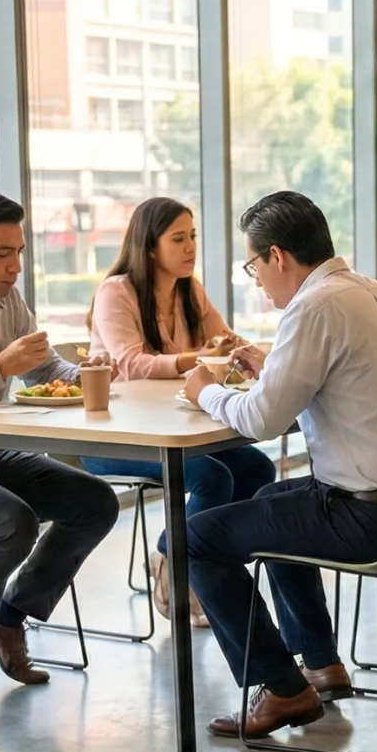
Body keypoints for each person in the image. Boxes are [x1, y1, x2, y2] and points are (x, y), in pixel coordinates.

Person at [179, 192, 377, 739]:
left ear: (278, 256)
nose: (257, 281)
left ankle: (283, 689)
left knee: (192, 540)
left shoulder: (313, 307)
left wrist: (203, 391)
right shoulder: (376, 294)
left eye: (253, 268)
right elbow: (343, 392)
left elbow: (263, 420)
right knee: (272, 501)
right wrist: (275, 369)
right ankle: (321, 664)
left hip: (364, 518)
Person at [82, 197, 277, 628]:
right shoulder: (117, 292)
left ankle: (185, 556)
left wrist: (242, 352)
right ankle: (181, 566)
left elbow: (223, 339)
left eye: (192, 237)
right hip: (114, 437)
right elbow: (130, 365)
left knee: (257, 469)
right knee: (210, 476)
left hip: (175, 430)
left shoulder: (190, 288)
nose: (190, 247)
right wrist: (194, 359)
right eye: (178, 239)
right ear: (150, 247)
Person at [0, 191, 119, 694]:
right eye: (3, 254)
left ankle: (8, 618)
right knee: (11, 520)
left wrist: (87, 372)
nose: (16, 266)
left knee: (94, 502)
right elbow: (13, 366)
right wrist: (0, 367)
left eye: (19, 252)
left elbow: (45, 368)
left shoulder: (9, 301)